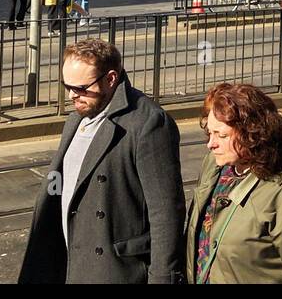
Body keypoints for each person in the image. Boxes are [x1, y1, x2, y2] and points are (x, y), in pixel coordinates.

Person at [18, 40, 184, 284]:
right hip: (69, 264)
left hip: (115, 271)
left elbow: (166, 214)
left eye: (82, 87)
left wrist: (162, 279)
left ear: (111, 79)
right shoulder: (77, 119)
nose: (72, 95)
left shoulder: (147, 123)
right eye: (68, 86)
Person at [184, 82, 282, 284]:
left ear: (252, 133)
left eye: (221, 135)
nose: (210, 144)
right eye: (209, 133)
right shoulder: (215, 165)